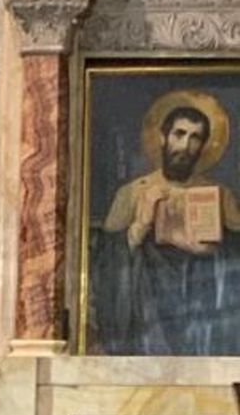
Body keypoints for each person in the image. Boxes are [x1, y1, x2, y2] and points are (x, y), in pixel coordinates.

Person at [92, 93, 240, 355]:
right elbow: (104, 265)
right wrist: (140, 225)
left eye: (195, 138)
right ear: (162, 137)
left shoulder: (221, 195)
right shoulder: (133, 193)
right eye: (179, 134)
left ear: (204, 145)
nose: (185, 146)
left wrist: (213, 252)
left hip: (203, 322)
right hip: (147, 322)